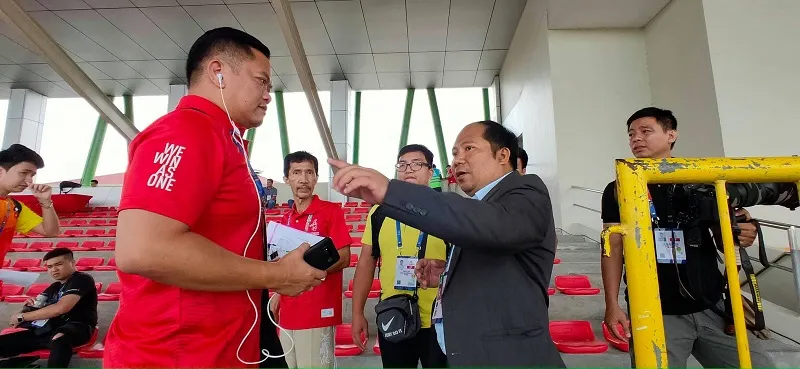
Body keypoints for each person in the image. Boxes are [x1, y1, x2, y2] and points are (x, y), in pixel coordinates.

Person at [104, 27, 326, 368]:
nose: (268, 95)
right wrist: (276, 275)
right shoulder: (185, 131)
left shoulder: (223, 139)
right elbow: (143, 249)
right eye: (261, 81)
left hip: (223, 347)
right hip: (176, 355)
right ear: (218, 72)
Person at [329, 121, 565, 368]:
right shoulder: (480, 208)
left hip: (508, 357)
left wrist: (391, 191)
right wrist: (448, 273)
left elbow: (494, 226)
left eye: (469, 148)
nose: (458, 160)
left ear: (503, 155)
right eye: (454, 153)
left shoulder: (527, 190)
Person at [600, 107, 774, 368]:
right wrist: (611, 304)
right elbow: (613, 248)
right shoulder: (619, 188)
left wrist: (742, 233)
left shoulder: (700, 179)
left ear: (671, 135)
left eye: (646, 131)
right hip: (655, 312)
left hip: (712, 306)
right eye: (631, 134)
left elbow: (726, 239)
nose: (636, 138)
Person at [351, 144, 448, 368]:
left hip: (440, 319)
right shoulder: (379, 212)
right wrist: (357, 313)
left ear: (431, 172)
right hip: (393, 315)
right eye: (402, 165)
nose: (408, 169)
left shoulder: (446, 211)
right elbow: (366, 263)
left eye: (416, 164)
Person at [270, 151, 351, 368]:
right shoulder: (284, 219)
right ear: (286, 179)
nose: (303, 179)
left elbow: (344, 257)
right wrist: (278, 293)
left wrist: (306, 271)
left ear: (316, 178)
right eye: (296, 172)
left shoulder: (331, 212)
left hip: (317, 311)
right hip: (288, 313)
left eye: (309, 173)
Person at [0, 248, 98, 368]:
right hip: (47, 329)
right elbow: (28, 312)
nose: (54, 270)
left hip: (77, 327)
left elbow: (61, 308)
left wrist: (22, 317)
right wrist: (29, 307)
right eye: (50, 267)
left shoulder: (82, 279)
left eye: (58, 264)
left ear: (72, 263)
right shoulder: (54, 286)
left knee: (60, 338)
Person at [0, 144, 59, 263]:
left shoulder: (14, 207)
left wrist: (45, 202)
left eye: (32, 175)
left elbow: (50, 231)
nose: (29, 181)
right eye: (23, 173)